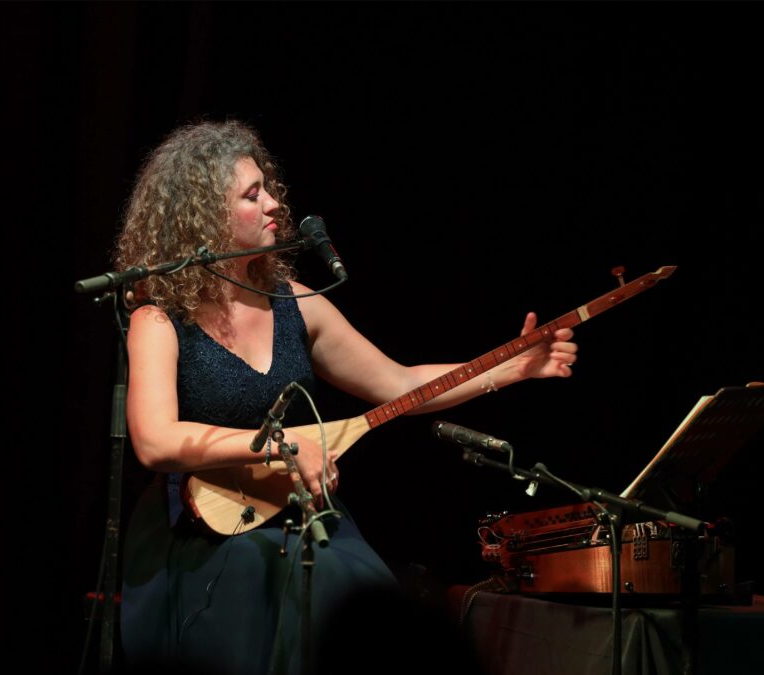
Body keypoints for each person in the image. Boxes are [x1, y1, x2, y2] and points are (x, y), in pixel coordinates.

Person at [115, 120, 578, 674]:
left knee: (359, 598)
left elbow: (400, 385)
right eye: (252, 194)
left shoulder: (298, 305)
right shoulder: (159, 317)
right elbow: (154, 439)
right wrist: (279, 447)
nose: (274, 205)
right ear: (205, 214)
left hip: (296, 519)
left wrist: (511, 367)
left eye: (269, 188)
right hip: (201, 532)